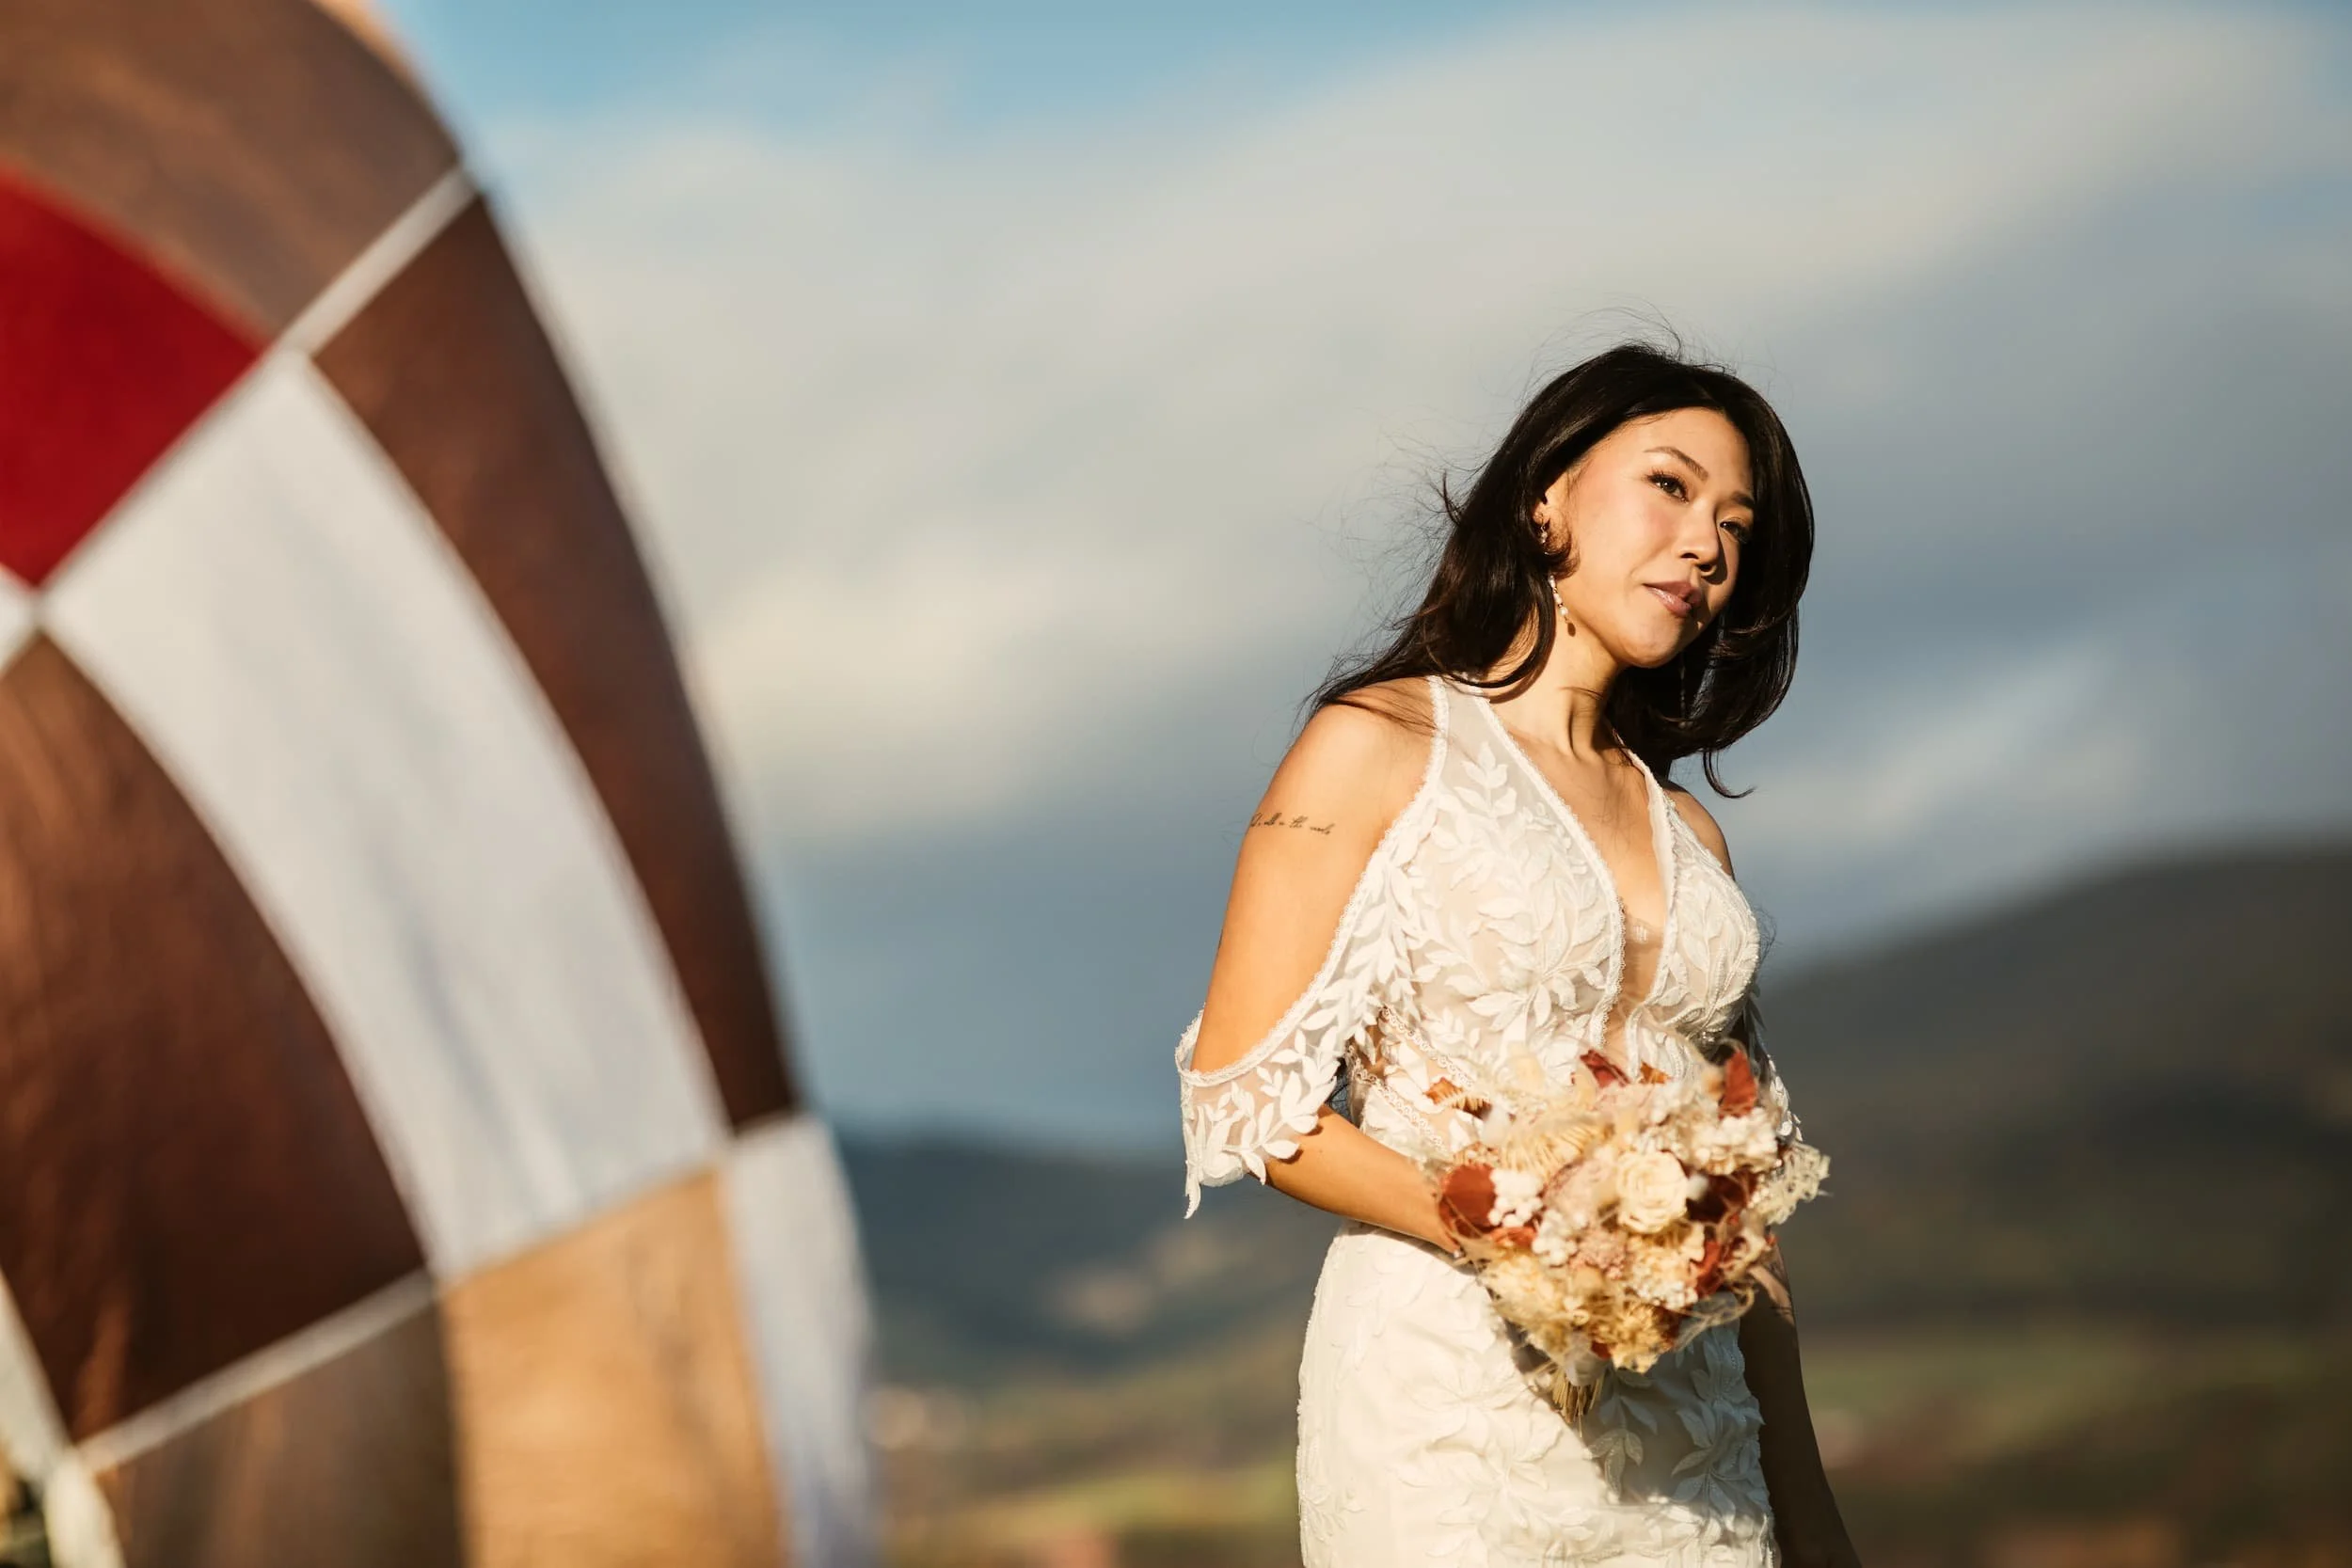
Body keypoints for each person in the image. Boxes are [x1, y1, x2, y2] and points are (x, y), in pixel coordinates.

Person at [1174, 342, 1861, 1567]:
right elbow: (1242, 1094)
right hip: (1450, 1405)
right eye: (1669, 484)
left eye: (1736, 525)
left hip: (1699, 1437)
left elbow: (1745, 1226)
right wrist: (1500, 1226)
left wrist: (1814, 1527)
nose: (1706, 544)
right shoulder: (1380, 742)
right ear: (1544, 495)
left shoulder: (1692, 835)